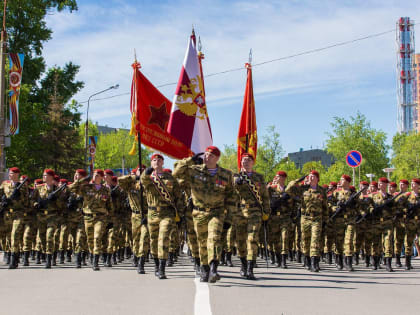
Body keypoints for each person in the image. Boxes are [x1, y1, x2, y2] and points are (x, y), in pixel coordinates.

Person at [173, 146, 236, 283]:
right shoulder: (194, 171)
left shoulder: (226, 174)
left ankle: (214, 268)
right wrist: (189, 160)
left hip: (217, 212)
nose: (207, 157)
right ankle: (205, 269)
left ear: (217, 158)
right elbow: (176, 174)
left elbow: (231, 196)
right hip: (199, 213)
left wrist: (229, 218)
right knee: (202, 243)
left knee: (213, 238)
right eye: (206, 155)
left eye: (211, 155)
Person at [141, 154, 185, 279]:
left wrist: (180, 215)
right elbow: (143, 181)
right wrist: (146, 172)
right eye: (154, 160)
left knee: (164, 238)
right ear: (151, 163)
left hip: (167, 213)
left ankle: (162, 268)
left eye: (159, 160)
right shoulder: (148, 177)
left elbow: (179, 198)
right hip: (152, 213)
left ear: (163, 162)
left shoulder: (170, 178)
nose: (157, 162)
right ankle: (156, 265)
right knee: (154, 241)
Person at [233, 153, 270, 279]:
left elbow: (265, 197)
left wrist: (266, 212)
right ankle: (243, 264)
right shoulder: (235, 176)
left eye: (248, 160)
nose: (246, 162)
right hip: (240, 212)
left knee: (252, 239)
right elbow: (230, 192)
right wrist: (236, 184)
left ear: (253, 163)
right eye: (244, 160)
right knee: (240, 240)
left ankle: (250, 268)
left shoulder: (259, 177)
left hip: (255, 211)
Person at [68, 169, 112, 271]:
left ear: (101, 177)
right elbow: (71, 188)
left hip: (100, 217)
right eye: (94, 175)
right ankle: (93, 255)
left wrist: (110, 220)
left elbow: (110, 205)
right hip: (88, 217)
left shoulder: (106, 190)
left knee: (97, 237)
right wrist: (81, 180)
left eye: (97, 175)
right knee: (90, 240)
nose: (95, 177)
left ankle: (95, 262)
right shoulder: (86, 188)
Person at [286, 170, 327, 272]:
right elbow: (288, 189)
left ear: (317, 179)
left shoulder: (321, 191)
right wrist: (299, 180)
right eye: (309, 176)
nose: (310, 178)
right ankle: (307, 260)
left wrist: (326, 220)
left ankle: (314, 262)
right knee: (305, 240)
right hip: (305, 218)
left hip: (317, 218)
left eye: (313, 176)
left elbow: (325, 206)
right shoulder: (303, 189)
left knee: (315, 239)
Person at [32, 169, 65, 269]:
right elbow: (32, 200)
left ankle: (49, 258)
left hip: (52, 216)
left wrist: (55, 200)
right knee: (42, 238)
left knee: (49, 236)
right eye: (43, 175)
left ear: (51, 177)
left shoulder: (57, 190)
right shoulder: (38, 188)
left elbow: (62, 205)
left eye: (45, 175)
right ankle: (46, 252)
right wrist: (36, 204)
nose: (43, 177)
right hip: (41, 216)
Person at [0, 167, 30, 269]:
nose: (10, 175)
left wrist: (19, 196)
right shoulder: (5, 184)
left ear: (17, 175)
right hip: (7, 214)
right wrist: (3, 201)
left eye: (12, 173)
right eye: (10, 173)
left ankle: (14, 259)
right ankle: (10, 255)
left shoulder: (23, 187)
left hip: (18, 214)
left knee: (15, 235)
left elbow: (26, 202)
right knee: (8, 236)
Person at [267, 171, 293, 269]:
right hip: (274, 217)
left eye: (279, 176)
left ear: (283, 178)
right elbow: (265, 199)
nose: (277, 178)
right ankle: (277, 258)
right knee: (275, 239)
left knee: (284, 237)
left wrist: (288, 199)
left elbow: (292, 204)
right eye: (276, 176)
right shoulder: (271, 189)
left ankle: (283, 261)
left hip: (285, 217)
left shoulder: (288, 190)